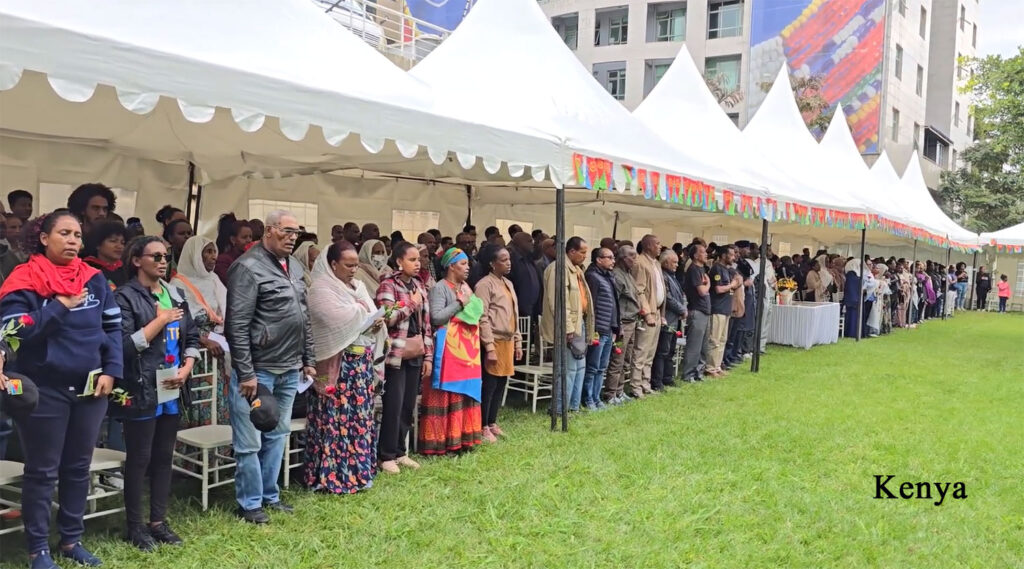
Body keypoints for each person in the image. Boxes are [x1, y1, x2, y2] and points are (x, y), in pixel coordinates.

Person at [0, 210, 121, 569]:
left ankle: (71, 540)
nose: (73, 241)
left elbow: (112, 328)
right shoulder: (23, 279)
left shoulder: (94, 279)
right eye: (65, 233)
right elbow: (13, 332)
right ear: (43, 238)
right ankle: (38, 549)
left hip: (90, 388)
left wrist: (112, 370)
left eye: (78, 235)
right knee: (42, 470)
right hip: (45, 389)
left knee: (78, 468)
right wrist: (58, 307)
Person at [225, 210, 316, 524]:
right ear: (268, 231)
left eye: (296, 232)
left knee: (278, 434)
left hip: (290, 366)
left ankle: (269, 496)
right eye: (286, 231)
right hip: (258, 370)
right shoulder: (247, 267)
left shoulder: (293, 265)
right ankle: (249, 503)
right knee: (250, 440)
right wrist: (246, 372)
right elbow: (235, 325)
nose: (293, 237)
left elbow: (303, 316)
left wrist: (309, 358)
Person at [115, 236, 199, 551]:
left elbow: (192, 334)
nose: (164, 261)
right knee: (140, 459)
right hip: (141, 386)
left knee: (164, 456)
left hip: (172, 385)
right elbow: (123, 346)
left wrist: (188, 365)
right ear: (137, 260)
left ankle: (158, 522)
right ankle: (135, 527)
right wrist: (160, 320)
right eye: (157, 256)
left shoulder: (174, 293)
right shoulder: (125, 297)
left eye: (168, 256)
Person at [303, 241, 385, 494]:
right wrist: (362, 313)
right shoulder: (320, 288)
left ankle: (358, 472)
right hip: (338, 365)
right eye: (348, 265)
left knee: (358, 419)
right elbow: (332, 319)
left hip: (360, 364)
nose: (353, 270)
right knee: (335, 419)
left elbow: (370, 315)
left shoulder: (358, 286)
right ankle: (332, 475)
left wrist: (369, 317)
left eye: (356, 265)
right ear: (333, 264)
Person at [375, 242, 432, 473]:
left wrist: (428, 355)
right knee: (394, 403)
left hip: (416, 349)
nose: (417, 263)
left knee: (408, 405)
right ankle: (385, 455)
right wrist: (411, 303)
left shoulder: (419, 284)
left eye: (419, 259)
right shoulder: (388, 284)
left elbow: (426, 324)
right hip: (396, 351)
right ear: (399, 261)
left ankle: (400, 451)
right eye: (411, 259)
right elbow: (387, 317)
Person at [425, 247, 483, 454]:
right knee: (448, 394)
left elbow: (476, 312)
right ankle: (442, 441)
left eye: (468, 264)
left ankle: (464, 438)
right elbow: (436, 317)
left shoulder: (465, 286)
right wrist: (460, 303)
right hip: (448, 351)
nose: (468, 268)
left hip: (467, 352)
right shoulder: (440, 288)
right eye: (463, 264)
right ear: (451, 266)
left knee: (466, 393)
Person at [170, 236, 230, 424]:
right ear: (194, 255)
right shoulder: (178, 284)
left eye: (214, 252)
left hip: (217, 352)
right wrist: (203, 339)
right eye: (208, 252)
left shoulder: (214, 280)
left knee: (216, 400)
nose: (213, 257)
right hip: (194, 353)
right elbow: (179, 321)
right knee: (196, 401)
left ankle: (216, 452)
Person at [541, 237, 594, 414]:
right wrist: (568, 328)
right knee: (568, 369)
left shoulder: (576, 269)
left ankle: (573, 406)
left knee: (579, 367)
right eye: (583, 252)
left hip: (579, 323)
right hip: (568, 326)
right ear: (571, 251)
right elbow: (559, 302)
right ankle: (559, 408)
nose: (585, 256)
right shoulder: (558, 268)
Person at [475, 245, 521, 441]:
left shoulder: (508, 283)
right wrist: (490, 347)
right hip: (493, 339)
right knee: (489, 384)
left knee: (501, 383)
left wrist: (518, 342)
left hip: (508, 340)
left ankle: (492, 422)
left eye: (509, 259)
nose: (508, 263)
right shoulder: (485, 285)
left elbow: (514, 314)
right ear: (492, 264)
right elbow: (482, 317)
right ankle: (482, 425)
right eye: (503, 260)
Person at [583, 247, 619, 409]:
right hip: (598, 328)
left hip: (608, 328)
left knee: (601, 367)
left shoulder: (608, 277)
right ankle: (588, 398)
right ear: (598, 259)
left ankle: (596, 398)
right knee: (592, 367)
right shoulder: (592, 276)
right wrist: (594, 329)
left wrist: (616, 328)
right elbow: (591, 305)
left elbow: (614, 305)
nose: (613, 261)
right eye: (609, 258)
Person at [604, 245, 640, 404]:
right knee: (617, 359)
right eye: (631, 256)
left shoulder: (628, 274)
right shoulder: (617, 276)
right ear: (622, 258)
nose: (634, 259)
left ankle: (619, 391)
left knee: (626, 359)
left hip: (632, 321)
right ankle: (610, 394)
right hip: (622, 323)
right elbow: (614, 303)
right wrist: (617, 325)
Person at [631, 235, 664, 398]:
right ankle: (636, 386)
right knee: (641, 351)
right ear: (648, 246)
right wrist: (647, 313)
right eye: (657, 243)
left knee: (650, 352)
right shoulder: (640, 262)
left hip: (657, 311)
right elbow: (639, 290)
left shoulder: (656, 263)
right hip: (648, 313)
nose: (660, 246)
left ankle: (646, 382)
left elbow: (660, 289)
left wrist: (660, 314)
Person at [652, 249, 685, 390]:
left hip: (674, 318)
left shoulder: (673, 276)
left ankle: (667, 377)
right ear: (665, 262)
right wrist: (682, 309)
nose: (677, 265)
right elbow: (668, 297)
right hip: (668, 317)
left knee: (670, 350)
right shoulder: (663, 276)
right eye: (674, 262)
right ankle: (657, 381)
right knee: (663, 351)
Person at [681, 244, 711, 382]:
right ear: (695, 255)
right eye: (703, 252)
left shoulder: (702, 269)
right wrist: (708, 284)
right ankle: (688, 374)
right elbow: (702, 291)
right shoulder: (693, 269)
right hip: (697, 310)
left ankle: (699, 372)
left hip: (705, 310)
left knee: (704, 345)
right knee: (694, 345)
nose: (706, 254)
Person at [708, 245, 739, 377]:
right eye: (731, 255)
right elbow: (718, 289)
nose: (734, 257)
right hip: (717, 308)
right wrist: (732, 285)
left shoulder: (727, 269)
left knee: (722, 340)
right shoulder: (716, 268)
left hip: (725, 308)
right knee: (714, 339)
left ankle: (717, 366)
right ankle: (710, 368)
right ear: (723, 255)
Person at [82, 220, 129, 290]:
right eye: (113, 241)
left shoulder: (127, 269)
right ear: (98, 244)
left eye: (122, 243)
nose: (119, 246)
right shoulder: (86, 268)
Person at [507, 231, 542, 319]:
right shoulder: (513, 261)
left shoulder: (530, 260)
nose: (532, 244)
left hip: (532, 311)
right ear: (519, 243)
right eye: (529, 241)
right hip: (519, 312)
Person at [214, 215, 253, 285]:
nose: (249, 240)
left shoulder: (252, 258)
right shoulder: (223, 260)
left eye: (250, 237)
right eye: (244, 237)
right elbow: (234, 283)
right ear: (233, 240)